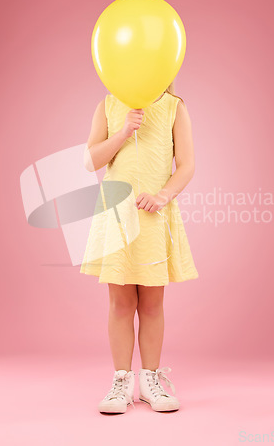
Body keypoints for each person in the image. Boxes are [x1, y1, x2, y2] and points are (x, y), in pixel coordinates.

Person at [80, 80, 199, 414]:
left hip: (152, 214)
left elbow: (186, 165)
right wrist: (121, 133)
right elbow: (90, 161)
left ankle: (150, 380)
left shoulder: (175, 106)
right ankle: (121, 381)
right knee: (120, 301)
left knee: (151, 301)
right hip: (117, 213)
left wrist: (162, 196)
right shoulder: (107, 106)